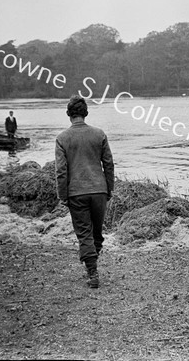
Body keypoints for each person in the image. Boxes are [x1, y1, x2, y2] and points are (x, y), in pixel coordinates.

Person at [55, 95, 115, 289]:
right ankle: (92, 265)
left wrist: (62, 195)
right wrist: (109, 188)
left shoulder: (62, 138)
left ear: (68, 114)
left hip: (76, 193)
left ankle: (92, 271)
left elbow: (61, 171)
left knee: (84, 233)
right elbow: (108, 164)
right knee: (96, 233)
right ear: (85, 113)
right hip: (99, 190)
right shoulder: (99, 134)